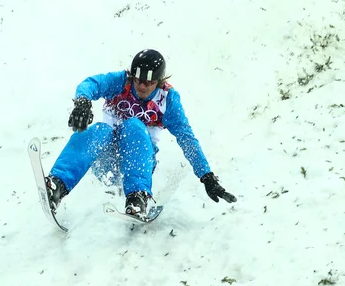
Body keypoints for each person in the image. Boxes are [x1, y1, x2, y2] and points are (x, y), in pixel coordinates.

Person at [45, 49, 237, 219]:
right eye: (138, 80)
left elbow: (187, 138)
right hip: (109, 162)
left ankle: (137, 198)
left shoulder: (167, 99)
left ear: (159, 82)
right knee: (99, 130)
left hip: (139, 161)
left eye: (148, 82)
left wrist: (207, 177)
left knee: (134, 126)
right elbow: (91, 83)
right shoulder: (121, 82)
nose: (141, 86)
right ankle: (57, 185)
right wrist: (82, 102)